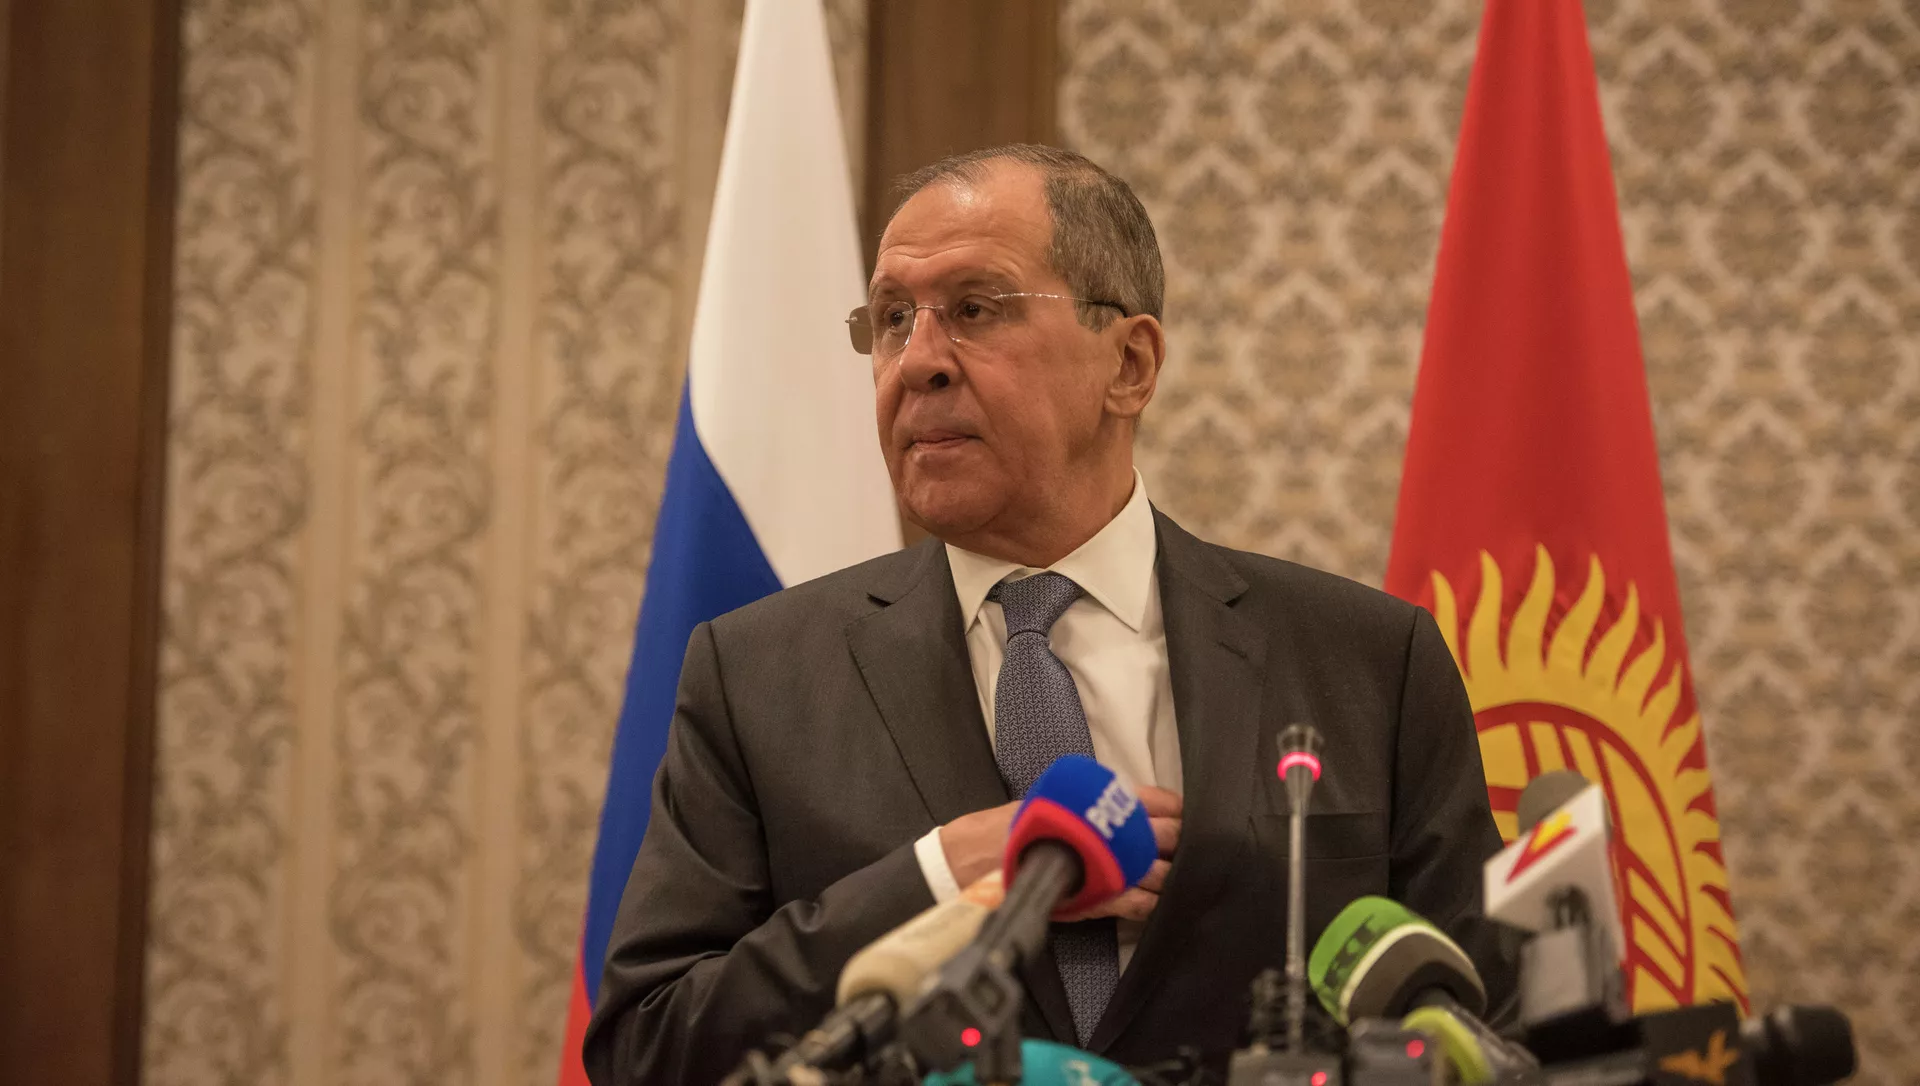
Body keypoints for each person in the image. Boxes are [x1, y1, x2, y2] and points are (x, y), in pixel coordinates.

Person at [583, 144, 1510, 1085]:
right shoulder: (757, 677)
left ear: (1130, 365)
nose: (918, 363)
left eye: (975, 310)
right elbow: (648, 1046)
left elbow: (1497, 1029)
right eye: (893, 319)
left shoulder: (1370, 662)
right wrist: (939, 876)